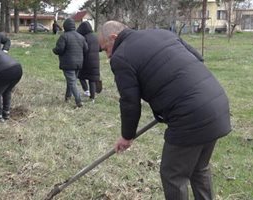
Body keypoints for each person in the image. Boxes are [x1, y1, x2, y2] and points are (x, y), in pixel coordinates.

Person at [99, 21, 231, 199]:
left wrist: (126, 136)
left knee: (173, 174)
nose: (108, 56)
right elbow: (197, 58)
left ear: (114, 37)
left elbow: (130, 102)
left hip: (189, 116)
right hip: (216, 102)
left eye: (106, 49)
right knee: (199, 169)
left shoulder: (120, 57)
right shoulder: (162, 33)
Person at [52, 18, 88, 108]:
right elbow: (86, 49)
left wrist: (54, 50)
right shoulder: (81, 37)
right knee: (71, 80)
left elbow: (59, 49)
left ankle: (78, 101)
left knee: (72, 82)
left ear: (65, 26)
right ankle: (67, 97)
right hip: (79, 63)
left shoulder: (64, 36)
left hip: (68, 63)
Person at [76, 21, 100, 102]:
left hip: (85, 61)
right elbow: (99, 48)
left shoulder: (83, 38)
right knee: (92, 80)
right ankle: (92, 98)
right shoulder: (95, 37)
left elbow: (82, 49)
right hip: (95, 62)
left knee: (80, 76)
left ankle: (86, 90)